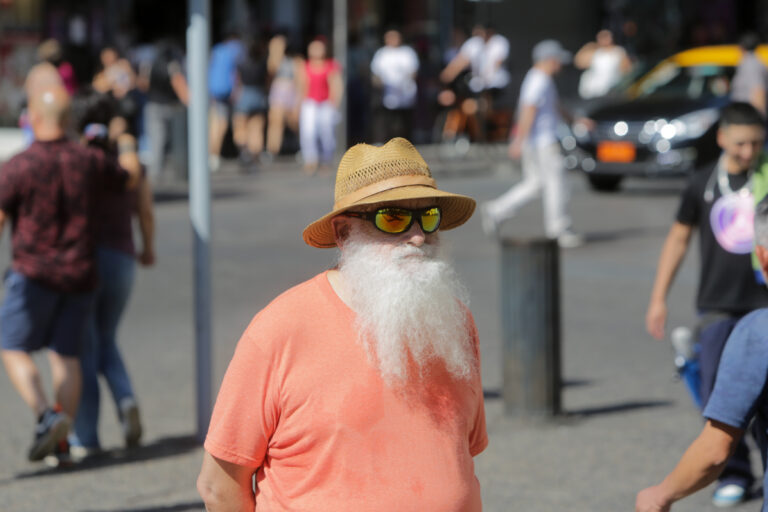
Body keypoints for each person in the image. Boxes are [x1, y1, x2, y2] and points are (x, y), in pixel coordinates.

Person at [197, 137, 488, 510]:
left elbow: (460, 458)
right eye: (393, 217)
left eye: (428, 216)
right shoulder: (280, 329)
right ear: (344, 233)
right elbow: (218, 485)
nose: (418, 236)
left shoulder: (454, 322)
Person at [0, 83, 141, 463]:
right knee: (68, 356)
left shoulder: (18, 165)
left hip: (33, 274)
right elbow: (127, 176)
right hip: (80, 273)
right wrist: (126, 141)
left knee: (11, 346)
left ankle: (46, 414)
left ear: (34, 116)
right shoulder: (87, 159)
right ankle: (63, 441)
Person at [644, 102, 768, 507]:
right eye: (740, 143)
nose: (749, 152)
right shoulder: (701, 183)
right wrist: (658, 297)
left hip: (760, 304)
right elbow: (678, 239)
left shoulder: (767, 180)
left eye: (756, 143)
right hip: (718, 304)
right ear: (721, 139)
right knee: (720, 393)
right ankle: (734, 473)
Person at [66, 92, 155, 461]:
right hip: (121, 258)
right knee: (107, 338)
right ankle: (125, 398)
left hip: (84, 261)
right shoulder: (126, 164)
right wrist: (148, 248)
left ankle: (85, 438)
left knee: (85, 347)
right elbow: (145, 211)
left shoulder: (76, 161)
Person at [481, 39, 585, 248]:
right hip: (542, 142)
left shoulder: (540, 79)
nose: (560, 65)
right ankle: (559, 229)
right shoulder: (539, 80)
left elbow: (554, 106)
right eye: (558, 60)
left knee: (535, 184)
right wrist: (519, 141)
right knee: (557, 184)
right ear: (550, 60)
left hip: (536, 141)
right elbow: (528, 110)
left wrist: (575, 119)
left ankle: (497, 210)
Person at [137, 39, 188, 183]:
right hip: (170, 106)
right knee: (172, 140)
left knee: (156, 140)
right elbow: (178, 84)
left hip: (152, 105)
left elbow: (143, 85)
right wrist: (189, 101)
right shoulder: (172, 65)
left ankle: (155, 172)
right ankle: (162, 172)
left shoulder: (148, 64)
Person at [297, 37, 343, 174]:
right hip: (310, 102)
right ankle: (310, 159)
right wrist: (299, 104)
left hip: (326, 103)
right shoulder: (305, 66)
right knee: (308, 131)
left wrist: (335, 102)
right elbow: (301, 86)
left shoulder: (331, 65)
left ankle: (326, 159)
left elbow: (336, 85)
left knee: (327, 131)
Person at [370, 28, 419, 142]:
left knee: (404, 122)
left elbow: (413, 71)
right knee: (386, 121)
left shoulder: (407, 52)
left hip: (405, 94)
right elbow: (376, 74)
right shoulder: (381, 53)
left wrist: (403, 83)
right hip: (387, 94)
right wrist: (380, 85)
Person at [207, 31, 244, 172]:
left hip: (213, 92)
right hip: (226, 92)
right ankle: (214, 155)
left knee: (214, 125)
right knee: (221, 125)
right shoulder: (235, 50)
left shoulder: (216, 50)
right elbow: (236, 72)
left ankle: (213, 155)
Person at [232, 37, 269, 167]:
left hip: (244, 95)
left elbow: (237, 82)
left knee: (240, 126)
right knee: (256, 127)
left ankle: (244, 151)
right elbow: (267, 81)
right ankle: (254, 154)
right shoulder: (263, 63)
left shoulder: (241, 63)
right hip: (258, 95)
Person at [265, 33, 301, 158]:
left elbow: (300, 80)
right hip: (277, 93)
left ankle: (301, 147)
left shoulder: (296, 60)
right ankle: (272, 149)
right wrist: (274, 51)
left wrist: (298, 99)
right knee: (275, 122)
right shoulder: (275, 59)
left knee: (294, 122)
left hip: (290, 93)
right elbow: (271, 71)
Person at [574, 29, 631, 99]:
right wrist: (589, 46)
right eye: (601, 37)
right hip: (592, 91)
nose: (604, 39)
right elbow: (579, 63)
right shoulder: (595, 51)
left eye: (606, 37)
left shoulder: (618, 51)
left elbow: (626, 69)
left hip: (610, 90)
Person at [731, 32, 768, 116]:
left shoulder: (750, 64)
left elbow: (758, 90)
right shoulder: (754, 61)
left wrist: (759, 118)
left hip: (749, 116)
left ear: (741, 47)